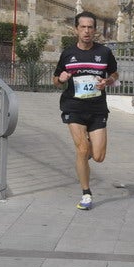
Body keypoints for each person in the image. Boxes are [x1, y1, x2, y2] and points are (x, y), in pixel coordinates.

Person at [54, 11, 119, 211]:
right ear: (76, 29)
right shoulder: (67, 53)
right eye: (83, 27)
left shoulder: (104, 52)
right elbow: (56, 81)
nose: (86, 31)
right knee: (82, 149)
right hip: (73, 107)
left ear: (95, 30)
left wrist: (108, 81)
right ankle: (86, 193)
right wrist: (61, 80)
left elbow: (114, 74)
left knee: (98, 156)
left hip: (97, 108)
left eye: (90, 27)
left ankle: (86, 152)